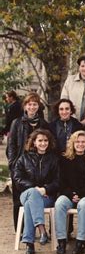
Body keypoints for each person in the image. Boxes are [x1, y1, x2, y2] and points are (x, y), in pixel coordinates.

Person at [13, 129, 59, 254]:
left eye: (45, 141)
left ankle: (29, 243)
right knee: (32, 194)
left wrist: (45, 189)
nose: (43, 143)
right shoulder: (24, 158)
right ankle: (41, 228)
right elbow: (17, 178)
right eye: (40, 140)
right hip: (26, 193)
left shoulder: (54, 159)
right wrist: (35, 188)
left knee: (29, 205)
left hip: (47, 196)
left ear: (49, 142)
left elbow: (58, 181)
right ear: (34, 142)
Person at [7, 92, 49, 230]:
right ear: (25, 106)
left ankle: (37, 227)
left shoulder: (43, 124)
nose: (32, 107)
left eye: (35, 104)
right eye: (29, 104)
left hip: (38, 166)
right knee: (18, 200)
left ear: (38, 106)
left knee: (35, 197)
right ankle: (20, 230)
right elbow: (11, 145)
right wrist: (13, 164)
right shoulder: (17, 123)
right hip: (20, 166)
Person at [54, 130, 85, 254]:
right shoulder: (64, 159)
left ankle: (80, 242)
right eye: (77, 141)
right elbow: (61, 182)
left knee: (83, 204)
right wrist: (71, 195)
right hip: (68, 194)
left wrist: (80, 195)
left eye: (83, 142)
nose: (80, 144)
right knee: (59, 203)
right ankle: (61, 242)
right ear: (72, 143)